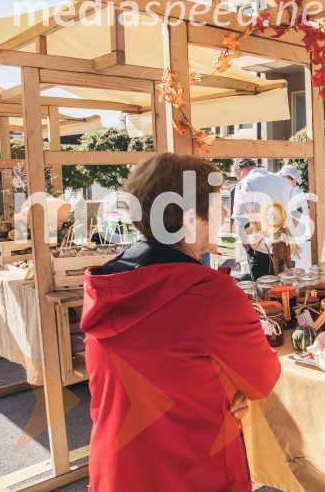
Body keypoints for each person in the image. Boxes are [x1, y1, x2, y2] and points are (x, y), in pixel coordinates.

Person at [81, 153, 281, 491]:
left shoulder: (104, 284)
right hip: (193, 471)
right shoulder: (213, 297)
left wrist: (223, 388)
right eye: (218, 208)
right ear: (191, 219)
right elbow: (261, 380)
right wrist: (230, 390)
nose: (223, 217)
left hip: (117, 472)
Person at [232, 158, 299, 279]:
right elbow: (296, 214)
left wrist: (246, 245)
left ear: (239, 170)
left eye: (238, 176)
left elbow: (240, 219)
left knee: (264, 291)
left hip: (261, 248)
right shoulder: (283, 182)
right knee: (285, 289)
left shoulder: (245, 183)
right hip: (284, 244)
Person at [277, 164, 312, 268]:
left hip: (292, 239)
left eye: (285, 179)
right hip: (290, 239)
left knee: (290, 271)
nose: (282, 182)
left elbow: (295, 219)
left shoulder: (296, 195)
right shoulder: (291, 193)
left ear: (294, 180)